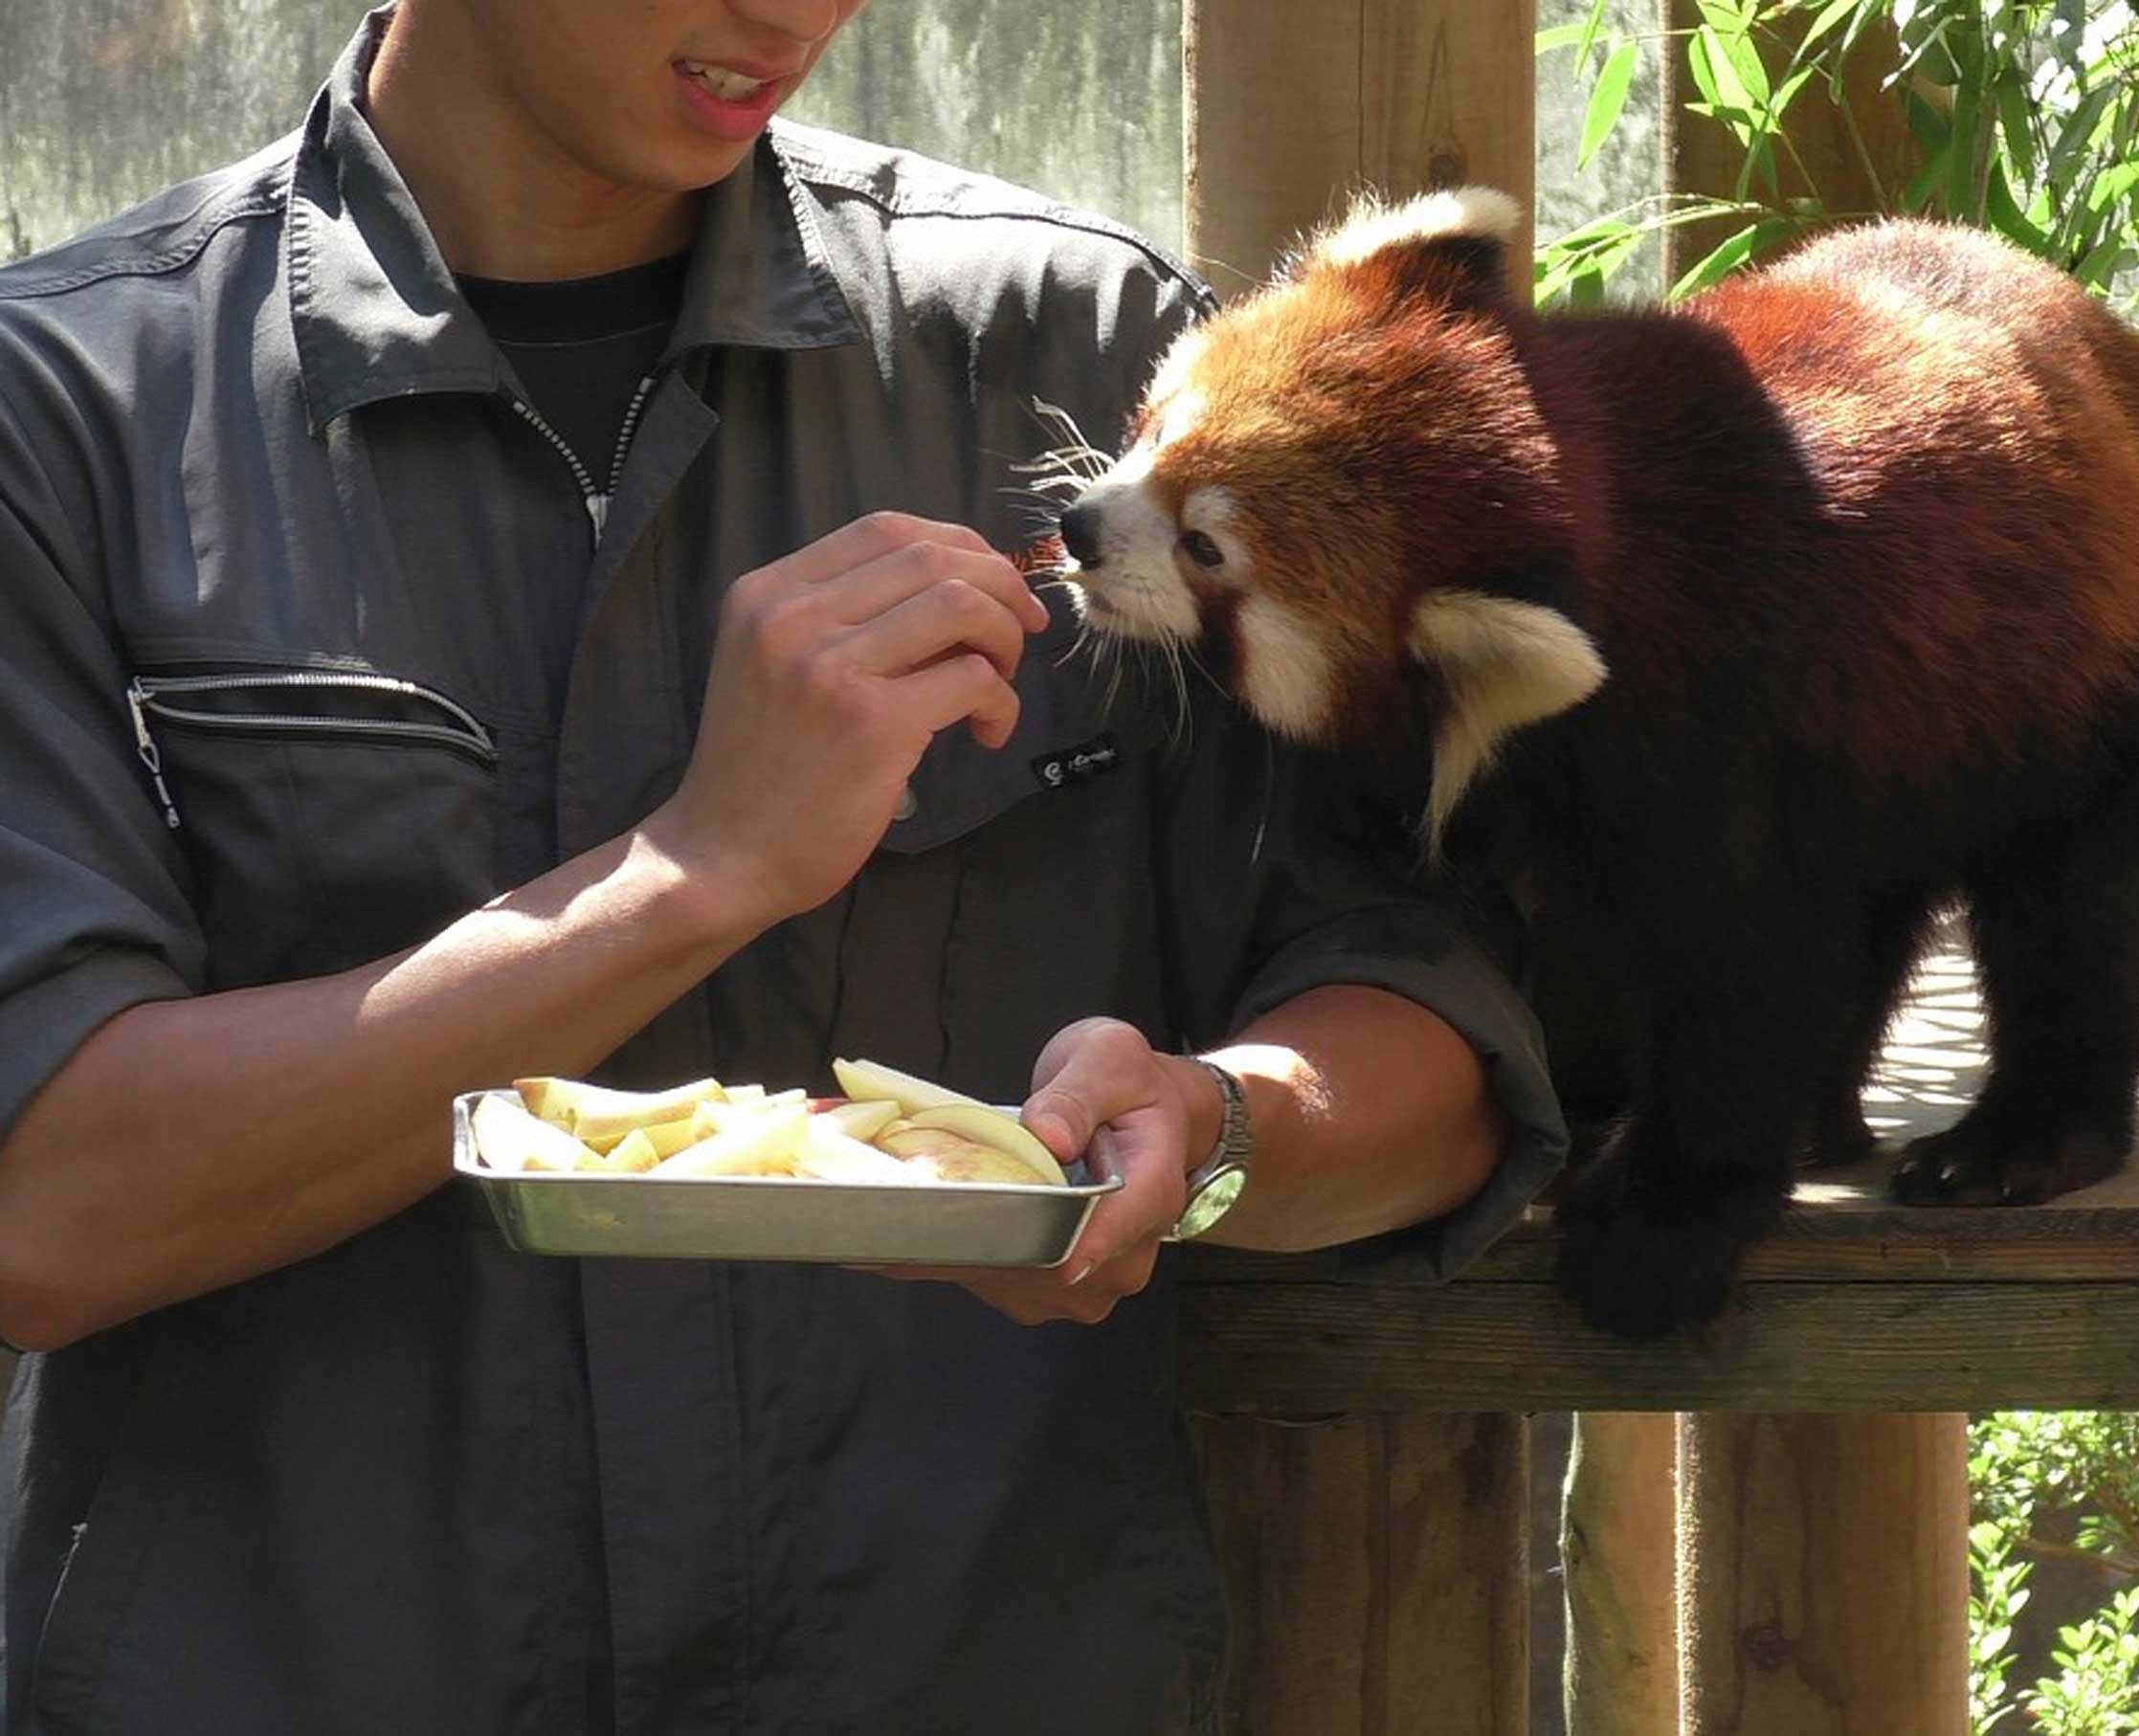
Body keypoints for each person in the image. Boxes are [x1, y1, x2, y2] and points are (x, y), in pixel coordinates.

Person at [0, 2, 1568, 1730]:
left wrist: (1214, 1131)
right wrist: (698, 865)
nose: (790, 16)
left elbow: (1446, 1024)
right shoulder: (64, 413)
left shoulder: (1091, 358)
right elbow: (44, 1204)